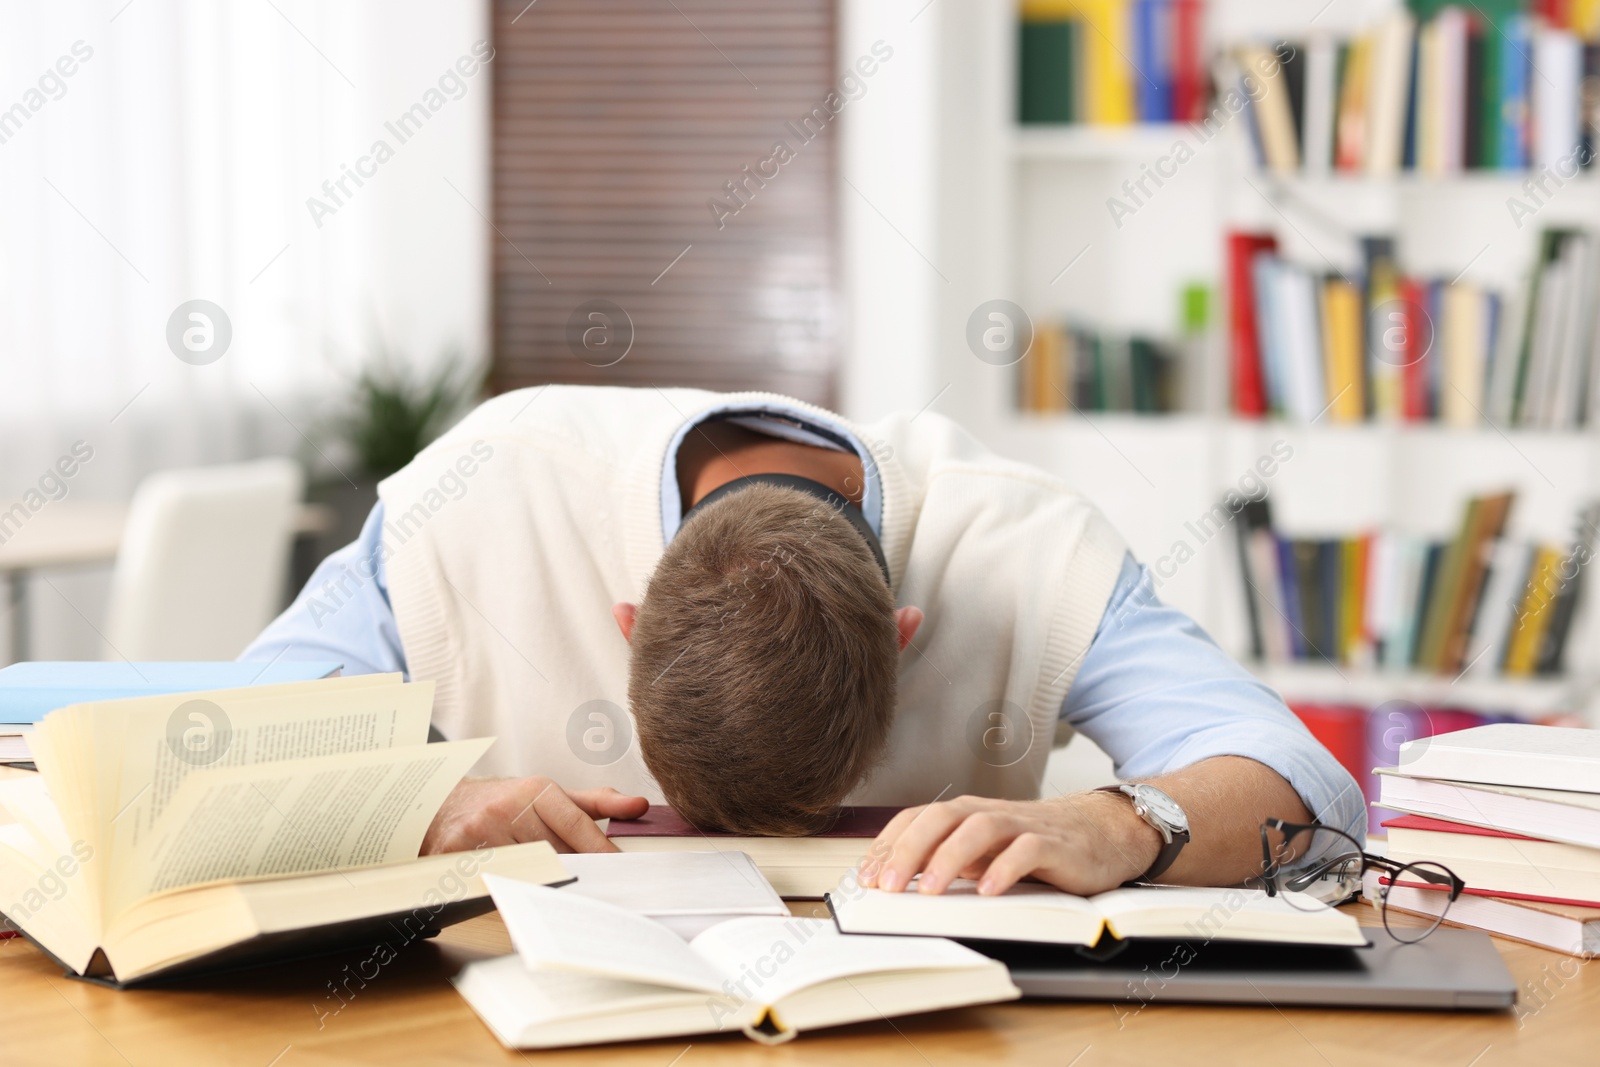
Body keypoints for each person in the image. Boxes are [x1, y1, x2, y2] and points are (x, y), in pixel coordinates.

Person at [241, 385, 1362, 896]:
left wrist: (1118, 822)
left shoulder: (1027, 542)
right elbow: (233, 736)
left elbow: (1317, 793)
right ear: (629, 629)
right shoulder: (481, 487)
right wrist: (405, 799)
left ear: (904, 635)